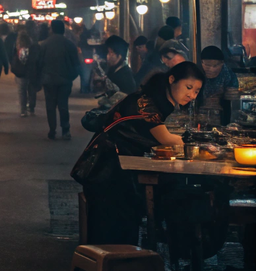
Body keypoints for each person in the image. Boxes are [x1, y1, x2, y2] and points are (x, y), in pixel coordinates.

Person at [79, 62, 203, 245]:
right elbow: (166, 139)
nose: (191, 95)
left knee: (122, 227)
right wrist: (196, 144)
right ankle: (115, 261)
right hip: (106, 173)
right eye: (189, 87)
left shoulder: (157, 99)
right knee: (112, 231)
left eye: (197, 91)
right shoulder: (146, 103)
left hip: (117, 169)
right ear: (172, 79)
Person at [36, 18, 80, 140]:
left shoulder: (44, 44)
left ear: (52, 29)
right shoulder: (69, 44)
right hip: (65, 80)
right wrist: (72, 76)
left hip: (48, 79)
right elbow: (76, 64)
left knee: (50, 105)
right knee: (63, 105)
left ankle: (52, 129)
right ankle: (65, 129)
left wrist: (39, 78)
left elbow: (39, 63)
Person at [198, 46, 239, 125]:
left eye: (215, 66)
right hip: (199, 115)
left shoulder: (229, 75)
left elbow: (232, 102)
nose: (212, 69)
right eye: (207, 65)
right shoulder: (196, 73)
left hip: (221, 116)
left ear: (222, 63)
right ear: (201, 62)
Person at [11, 31, 41, 117]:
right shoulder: (33, 48)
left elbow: (13, 58)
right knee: (32, 91)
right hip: (31, 72)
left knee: (22, 91)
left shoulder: (17, 48)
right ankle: (31, 108)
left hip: (20, 72)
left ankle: (23, 110)